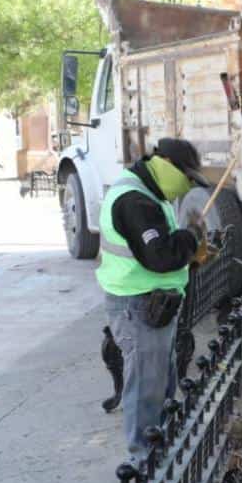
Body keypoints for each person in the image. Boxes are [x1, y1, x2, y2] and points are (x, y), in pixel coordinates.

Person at [97, 138, 207, 465]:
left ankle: (158, 447)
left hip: (151, 304)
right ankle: (142, 464)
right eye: (187, 179)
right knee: (146, 389)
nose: (187, 186)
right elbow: (159, 256)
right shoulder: (135, 201)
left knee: (159, 383)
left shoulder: (149, 193)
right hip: (138, 307)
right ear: (168, 167)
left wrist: (190, 251)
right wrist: (190, 237)